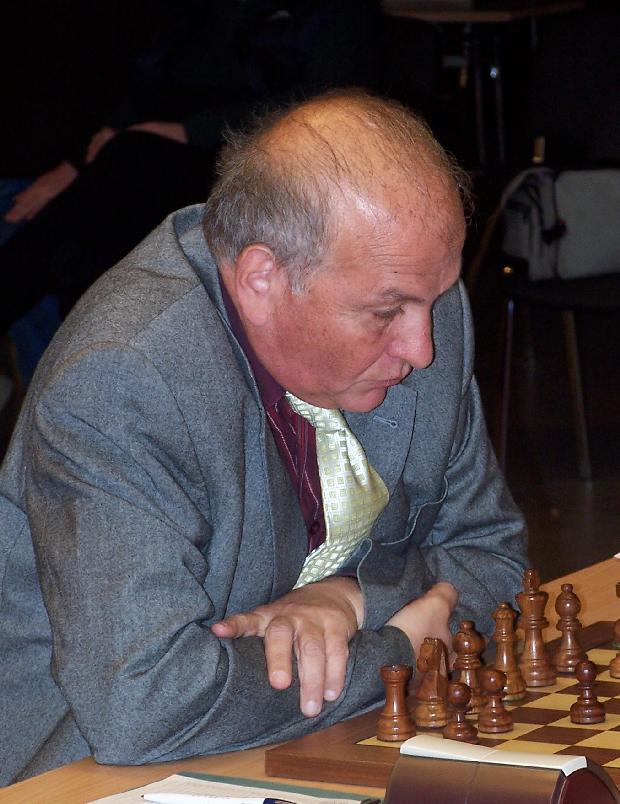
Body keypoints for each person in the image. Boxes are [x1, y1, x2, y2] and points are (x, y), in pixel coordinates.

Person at [0, 90, 527, 787]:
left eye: (432, 300)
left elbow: (496, 560)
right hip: (98, 774)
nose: (422, 348)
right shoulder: (123, 380)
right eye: (386, 312)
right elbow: (144, 704)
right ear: (261, 279)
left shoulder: (418, 292)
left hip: (314, 743)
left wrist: (352, 600)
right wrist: (399, 647)